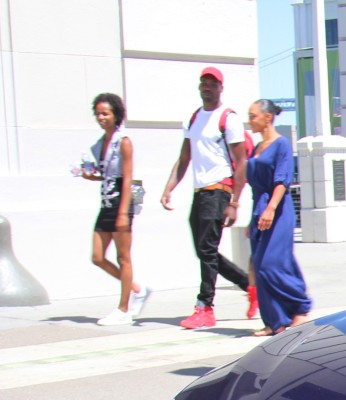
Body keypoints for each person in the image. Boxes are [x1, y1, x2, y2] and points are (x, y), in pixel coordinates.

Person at [161, 66, 255, 330]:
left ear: (220, 88)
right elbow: (184, 158)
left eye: (212, 83)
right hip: (199, 192)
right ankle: (249, 288)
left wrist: (234, 202)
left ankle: (205, 307)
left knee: (206, 250)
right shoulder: (193, 119)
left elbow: (240, 163)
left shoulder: (229, 119)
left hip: (219, 190)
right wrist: (169, 188)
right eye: (203, 82)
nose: (207, 87)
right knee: (206, 251)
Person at [245, 100, 312, 336]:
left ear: (268, 117)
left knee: (272, 264)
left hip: (277, 210)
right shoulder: (256, 147)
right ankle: (275, 322)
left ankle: (300, 307)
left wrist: (271, 208)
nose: (249, 120)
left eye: (253, 116)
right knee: (260, 265)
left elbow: (282, 180)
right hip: (258, 209)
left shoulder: (281, 144)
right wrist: (251, 219)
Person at [82, 93, 148, 326]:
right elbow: (106, 175)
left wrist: (123, 213)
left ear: (116, 115)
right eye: (98, 113)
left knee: (123, 258)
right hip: (106, 203)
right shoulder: (100, 144)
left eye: (106, 113)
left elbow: (127, 177)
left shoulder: (124, 141)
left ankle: (124, 308)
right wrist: (90, 175)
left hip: (121, 204)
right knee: (97, 257)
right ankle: (137, 289)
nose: (101, 118)